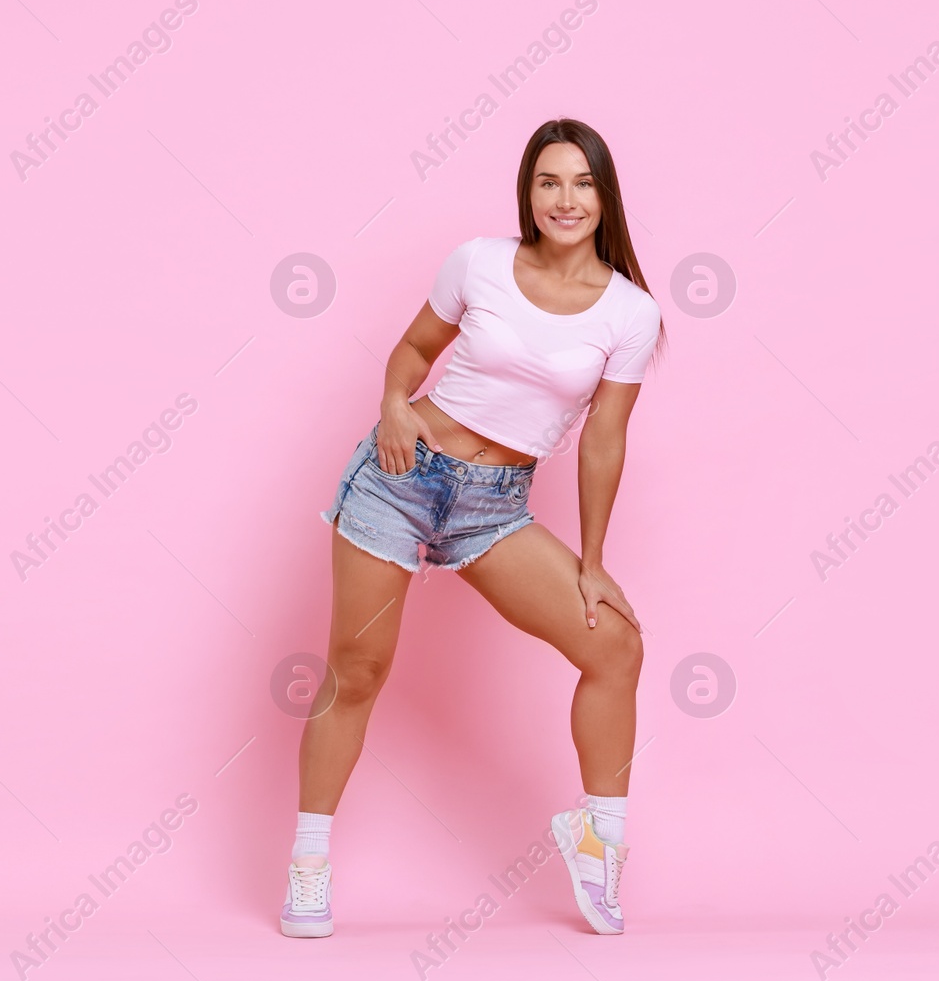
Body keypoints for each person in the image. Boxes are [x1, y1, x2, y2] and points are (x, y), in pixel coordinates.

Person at [281, 118, 667, 938]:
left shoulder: (630, 314)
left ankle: (601, 837)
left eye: (582, 184)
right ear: (528, 191)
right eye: (549, 182)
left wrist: (593, 561)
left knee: (617, 645)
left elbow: (604, 438)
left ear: (605, 197)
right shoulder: (480, 262)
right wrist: (392, 405)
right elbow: (414, 350)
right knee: (358, 668)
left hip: (495, 503)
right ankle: (309, 863)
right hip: (400, 476)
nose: (565, 199)